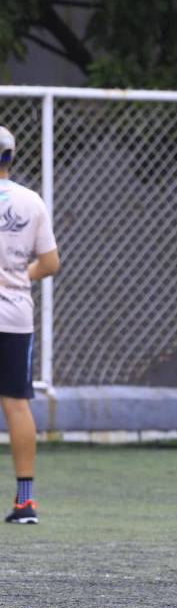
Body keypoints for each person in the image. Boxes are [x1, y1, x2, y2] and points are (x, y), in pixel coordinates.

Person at [0, 126, 60, 525]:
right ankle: (25, 502)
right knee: (16, 403)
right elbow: (51, 263)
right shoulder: (31, 201)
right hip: (15, 314)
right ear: (10, 156)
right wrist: (18, 276)